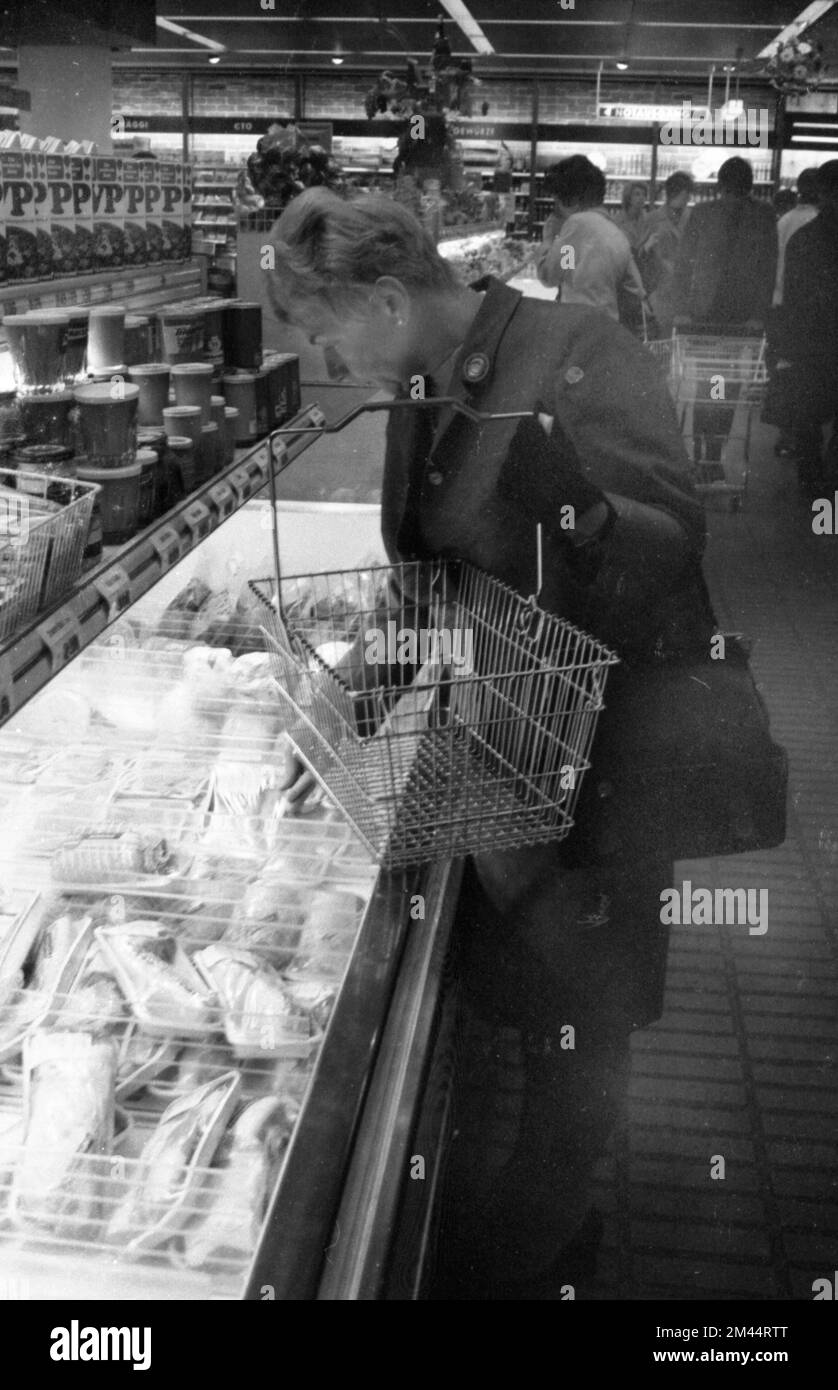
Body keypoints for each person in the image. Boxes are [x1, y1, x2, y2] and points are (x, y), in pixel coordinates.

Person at [266, 188, 724, 1299]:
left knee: (586, 1004)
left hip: (604, 767)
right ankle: (518, 1200)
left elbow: (671, 541)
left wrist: (586, 514)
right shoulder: (424, 391)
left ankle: (557, 1228)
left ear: (383, 298)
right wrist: (353, 702)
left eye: (327, 330)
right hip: (499, 763)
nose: (328, 355)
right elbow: (430, 572)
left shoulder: (579, 352)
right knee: (523, 1000)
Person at [672, 155, 777, 467]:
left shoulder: (702, 213)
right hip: (740, 317)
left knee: (707, 383)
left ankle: (705, 449)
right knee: (726, 385)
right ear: (751, 185)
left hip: (704, 314)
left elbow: (683, 265)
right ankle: (713, 452)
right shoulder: (764, 215)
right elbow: (767, 269)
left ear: (720, 184)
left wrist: (681, 310)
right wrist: (759, 314)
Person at [773, 159, 838, 497]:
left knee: (809, 413)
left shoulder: (804, 238)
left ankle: (813, 484)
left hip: (812, 340)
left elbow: (794, 294)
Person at [535, 154, 645, 324]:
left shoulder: (577, 224)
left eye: (559, 201)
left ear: (574, 200)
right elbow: (568, 267)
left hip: (580, 328)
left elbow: (549, 276)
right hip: (606, 327)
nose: (557, 209)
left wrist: (548, 239)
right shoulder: (615, 231)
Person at [768, 168, 820, 460]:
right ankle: (803, 435)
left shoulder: (784, 220)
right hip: (806, 309)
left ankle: (785, 433)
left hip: (779, 305)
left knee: (782, 369)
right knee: (806, 372)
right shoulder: (818, 222)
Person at [635, 171, 693, 339]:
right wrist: (646, 247)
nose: (687, 198)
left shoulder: (692, 217)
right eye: (686, 194)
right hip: (660, 290)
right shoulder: (653, 219)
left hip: (684, 289)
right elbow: (638, 254)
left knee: (681, 339)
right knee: (663, 338)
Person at [613, 181, 649, 251]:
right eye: (637, 194)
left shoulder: (648, 220)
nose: (642, 198)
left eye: (644, 195)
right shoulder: (617, 221)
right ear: (628, 197)